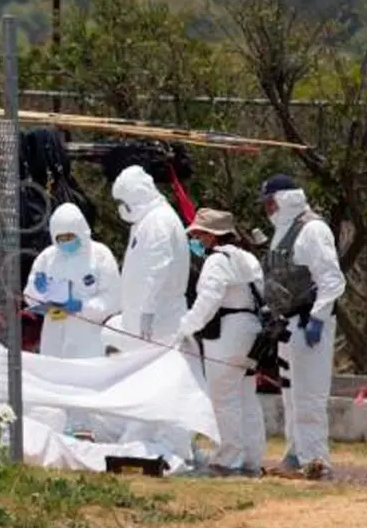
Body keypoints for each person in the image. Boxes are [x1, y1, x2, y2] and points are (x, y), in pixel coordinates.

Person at [259, 174, 346, 480]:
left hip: (310, 323)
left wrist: (318, 319)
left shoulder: (312, 229)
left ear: (284, 199)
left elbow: (332, 280)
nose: (268, 209)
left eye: (271, 202)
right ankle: (295, 455)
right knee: (291, 395)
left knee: (309, 395)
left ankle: (316, 461)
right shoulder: (284, 232)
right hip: (288, 324)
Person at [173, 208, 266, 477]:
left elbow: (208, 300)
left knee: (223, 397)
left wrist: (185, 327)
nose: (197, 241)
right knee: (246, 396)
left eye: (199, 235)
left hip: (227, 333)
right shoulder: (248, 258)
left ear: (212, 236)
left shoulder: (216, 261)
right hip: (251, 332)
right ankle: (251, 458)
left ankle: (229, 458)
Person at [23, 203, 121, 436]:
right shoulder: (47, 258)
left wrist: (82, 307)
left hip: (87, 333)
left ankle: (88, 429)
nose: (66, 242)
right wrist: (38, 292)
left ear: (82, 231)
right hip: (54, 330)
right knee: (54, 380)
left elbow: (113, 298)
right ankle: (56, 429)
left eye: (70, 236)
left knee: (85, 380)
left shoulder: (99, 255)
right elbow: (30, 295)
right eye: (61, 237)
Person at [110, 165, 192, 347]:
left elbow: (157, 268)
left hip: (158, 320)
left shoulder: (158, 221)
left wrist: (147, 309)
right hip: (145, 320)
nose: (122, 208)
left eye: (123, 202)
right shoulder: (148, 220)